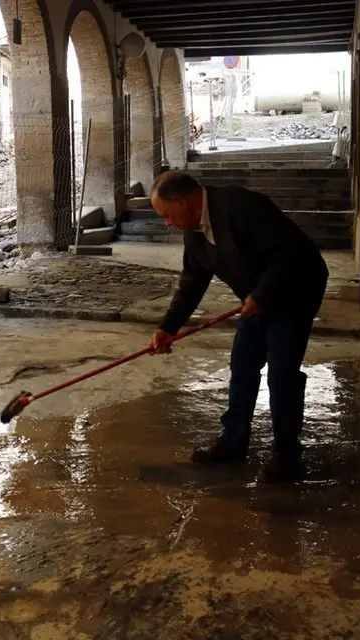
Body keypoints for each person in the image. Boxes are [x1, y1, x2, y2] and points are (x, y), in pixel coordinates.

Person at [148, 170, 328, 483]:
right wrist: (169, 327)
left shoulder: (240, 206)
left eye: (166, 215)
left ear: (181, 201)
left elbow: (290, 252)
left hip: (295, 291)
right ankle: (233, 442)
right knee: (243, 365)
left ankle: (286, 453)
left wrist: (261, 295)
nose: (167, 223)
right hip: (257, 298)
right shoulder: (193, 231)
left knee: (281, 373)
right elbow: (192, 281)